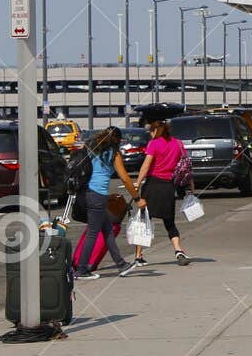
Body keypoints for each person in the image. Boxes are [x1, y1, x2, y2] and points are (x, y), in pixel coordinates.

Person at [73, 127, 140, 280]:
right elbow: (124, 178)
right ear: (117, 139)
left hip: (85, 193)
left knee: (108, 230)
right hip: (98, 195)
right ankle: (81, 270)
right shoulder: (113, 154)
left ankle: (121, 264)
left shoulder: (91, 148)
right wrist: (137, 198)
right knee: (93, 233)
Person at [133, 118, 190, 266]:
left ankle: (138, 256)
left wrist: (137, 183)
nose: (150, 134)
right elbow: (186, 165)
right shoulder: (178, 143)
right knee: (169, 222)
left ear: (155, 131)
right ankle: (178, 250)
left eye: (151, 131)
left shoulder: (154, 144)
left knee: (144, 221)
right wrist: (191, 185)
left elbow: (146, 165)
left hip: (152, 185)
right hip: (169, 187)